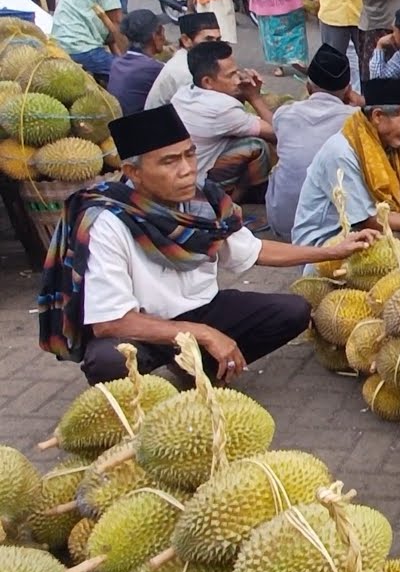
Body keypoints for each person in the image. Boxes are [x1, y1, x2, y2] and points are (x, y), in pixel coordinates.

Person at [36, 103, 379, 385]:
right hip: (145, 329)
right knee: (108, 360)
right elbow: (109, 323)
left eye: (190, 155)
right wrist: (202, 333)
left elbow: (254, 250)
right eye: (170, 161)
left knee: (293, 312)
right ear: (134, 172)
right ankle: (147, 391)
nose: (186, 170)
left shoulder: (203, 203)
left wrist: (332, 250)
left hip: (202, 309)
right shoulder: (107, 221)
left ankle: (199, 370)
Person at [291, 77, 400, 247]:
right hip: (325, 243)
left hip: (365, 229)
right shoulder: (341, 153)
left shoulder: (392, 146)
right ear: (377, 116)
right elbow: (368, 221)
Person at [266, 44, 363, 238]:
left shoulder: (284, 113)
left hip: (282, 224)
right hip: (334, 231)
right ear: (348, 90)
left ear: (308, 87)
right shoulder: (358, 120)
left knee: (277, 151)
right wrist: (361, 103)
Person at [171, 41, 276, 201]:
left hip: (181, 172)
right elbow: (277, 133)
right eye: (230, 75)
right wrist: (254, 97)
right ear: (208, 82)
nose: (237, 80)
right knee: (257, 145)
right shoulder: (222, 109)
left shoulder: (184, 92)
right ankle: (234, 202)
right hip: (197, 182)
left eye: (237, 72)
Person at [145, 12, 222, 108]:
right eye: (208, 40)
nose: (216, 46)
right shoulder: (184, 70)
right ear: (186, 40)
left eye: (218, 40)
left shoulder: (195, 60)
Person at [107, 10, 166, 115]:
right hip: (139, 127)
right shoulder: (154, 69)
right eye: (162, 31)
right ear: (154, 35)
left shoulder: (116, 63)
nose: (164, 38)